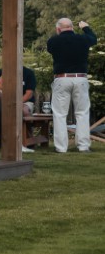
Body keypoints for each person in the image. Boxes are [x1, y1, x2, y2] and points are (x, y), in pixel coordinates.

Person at [47, 17, 96, 153]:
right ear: (72, 28)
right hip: (80, 78)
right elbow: (93, 39)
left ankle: (61, 147)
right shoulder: (83, 39)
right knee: (82, 113)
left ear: (58, 29)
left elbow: (51, 49)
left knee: (60, 114)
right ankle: (83, 146)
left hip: (61, 79)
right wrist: (85, 27)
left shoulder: (53, 41)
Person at [0, 60, 37, 152]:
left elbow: (29, 94)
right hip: (4, 102)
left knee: (22, 110)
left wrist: (16, 103)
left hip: (24, 102)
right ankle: (5, 138)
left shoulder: (28, 73)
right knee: (0, 111)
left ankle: (27, 137)